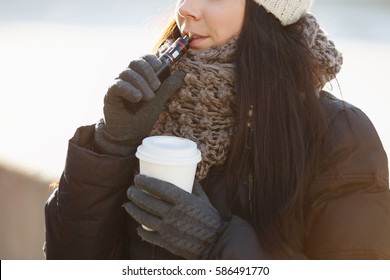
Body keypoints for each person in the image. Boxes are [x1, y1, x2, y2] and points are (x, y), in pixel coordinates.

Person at [44, 0, 390, 260]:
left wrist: (216, 244)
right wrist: (111, 144)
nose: (186, 8)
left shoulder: (340, 135)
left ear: (267, 12)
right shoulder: (152, 107)